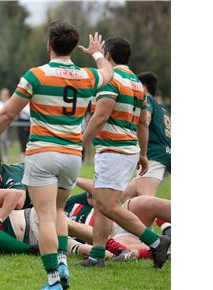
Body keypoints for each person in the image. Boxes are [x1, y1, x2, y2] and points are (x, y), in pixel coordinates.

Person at [0, 21, 114, 290]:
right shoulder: (87, 76)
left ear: (48, 45)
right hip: (73, 155)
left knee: (44, 216)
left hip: (42, 152)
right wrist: (95, 52)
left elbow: (7, 114)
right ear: (73, 46)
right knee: (58, 210)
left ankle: (53, 280)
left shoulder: (36, 75)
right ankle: (62, 265)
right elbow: (107, 70)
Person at [80, 37, 170, 269]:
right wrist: (142, 153)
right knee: (102, 203)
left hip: (115, 150)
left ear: (108, 55)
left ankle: (156, 241)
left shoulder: (112, 81)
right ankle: (97, 255)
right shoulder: (137, 84)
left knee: (108, 205)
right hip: (125, 149)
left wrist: (81, 143)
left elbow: (100, 116)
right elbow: (142, 123)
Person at [65, 182, 171, 261]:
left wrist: (73, 180)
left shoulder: (67, 201)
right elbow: (71, 246)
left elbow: (101, 192)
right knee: (125, 246)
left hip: (119, 216)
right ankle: (163, 247)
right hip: (106, 239)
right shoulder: (51, 224)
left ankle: (167, 226)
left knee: (145, 203)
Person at [122, 72, 171, 200]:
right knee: (125, 196)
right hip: (165, 154)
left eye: (134, 85)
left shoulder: (146, 99)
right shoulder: (160, 107)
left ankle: (166, 220)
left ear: (143, 88)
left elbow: (146, 118)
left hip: (153, 155)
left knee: (145, 201)